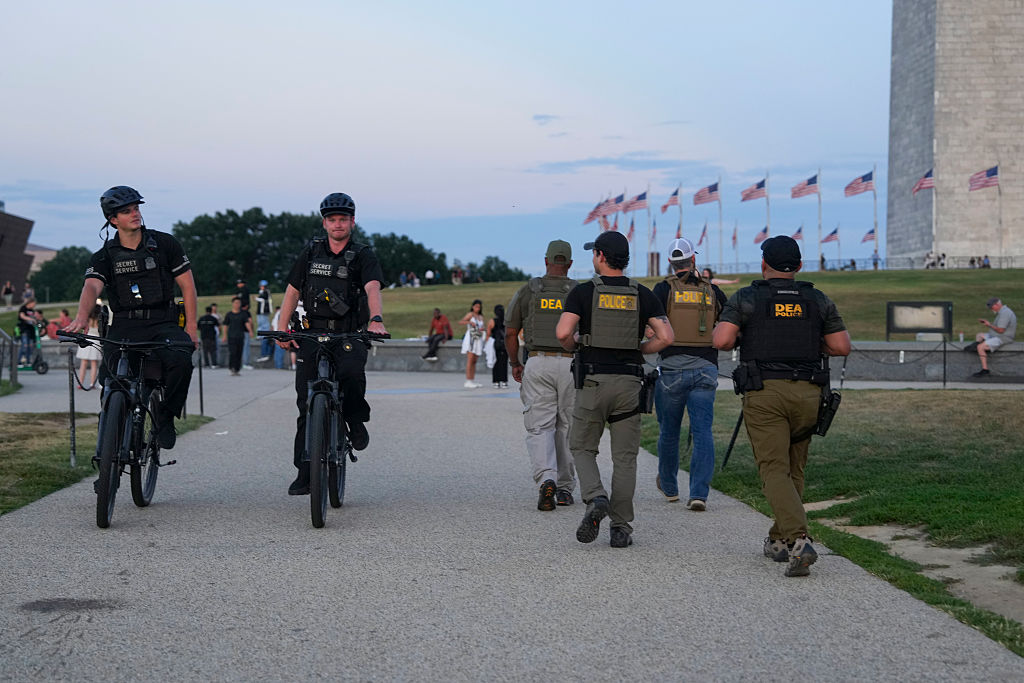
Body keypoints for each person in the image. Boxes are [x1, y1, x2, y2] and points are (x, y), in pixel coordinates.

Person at [712, 235, 850, 578]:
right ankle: (779, 540)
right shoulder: (816, 299)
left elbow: (722, 340)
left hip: (765, 393)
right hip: (809, 394)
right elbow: (841, 346)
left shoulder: (747, 298)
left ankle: (800, 539)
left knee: (773, 468)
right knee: (793, 469)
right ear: (799, 266)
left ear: (763, 264)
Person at [556, 231, 674, 548]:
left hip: (592, 381)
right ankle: (621, 528)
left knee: (581, 446)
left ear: (601, 257)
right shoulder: (643, 294)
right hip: (629, 384)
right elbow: (666, 337)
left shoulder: (583, 293)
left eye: (594, 253)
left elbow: (563, 332)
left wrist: (577, 344)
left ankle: (596, 497)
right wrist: (640, 350)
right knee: (625, 459)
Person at [63, 186, 197, 451]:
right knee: (112, 381)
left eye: (136, 208)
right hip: (125, 324)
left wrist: (191, 327)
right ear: (113, 220)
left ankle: (166, 416)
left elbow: (188, 287)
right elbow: (91, 286)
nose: (135, 214)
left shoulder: (165, 244)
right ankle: (107, 455)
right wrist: (80, 316)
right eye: (126, 211)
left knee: (181, 358)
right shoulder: (104, 256)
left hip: (163, 321)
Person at [273, 192, 387, 496]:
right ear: (325, 223)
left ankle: (354, 418)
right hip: (312, 333)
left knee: (350, 373)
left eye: (343, 219)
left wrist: (376, 319)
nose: (338, 224)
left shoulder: (363, 254)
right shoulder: (310, 253)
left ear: (352, 221)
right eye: (332, 219)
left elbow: (372, 287)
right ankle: (305, 472)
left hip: (349, 333)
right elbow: (292, 291)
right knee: (305, 402)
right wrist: (282, 327)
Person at [652, 238, 727, 510]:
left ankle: (670, 488)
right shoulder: (713, 291)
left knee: (668, 432)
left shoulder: (663, 290)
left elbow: (650, 328)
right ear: (693, 260)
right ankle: (698, 494)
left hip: (672, 369)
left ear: (671, 263)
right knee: (702, 432)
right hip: (706, 369)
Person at [506, 239, 579, 510]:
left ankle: (545, 478)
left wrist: (515, 362)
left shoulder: (529, 290)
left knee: (540, 426)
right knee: (568, 425)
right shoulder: (578, 292)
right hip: (571, 363)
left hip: (537, 362)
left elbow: (511, 332)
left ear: (546, 261)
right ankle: (565, 487)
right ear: (569, 264)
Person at [971, 297, 1017, 378]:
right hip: (996, 335)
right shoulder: (1002, 311)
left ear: (997, 304)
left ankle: (985, 370)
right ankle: (978, 348)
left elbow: (1001, 330)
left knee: (980, 347)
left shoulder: (1005, 313)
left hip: (1003, 338)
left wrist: (989, 325)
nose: (991, 309)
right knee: (979, 335)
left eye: (992, 307)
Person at [458, 299, 486, 389]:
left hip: (478, 339)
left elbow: (482, 326)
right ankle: (468, 380)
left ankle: (472, 379)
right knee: (470, 360)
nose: (477, 308)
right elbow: (461, 322)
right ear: (473, 306)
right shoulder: (470, 314)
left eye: (479, 307)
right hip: (471, 338)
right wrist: (469, 322)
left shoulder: (481, 316)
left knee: (474, 361)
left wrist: (483, 329)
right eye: (476, 306)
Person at [221, 296, 251, 376]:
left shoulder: (243, 314)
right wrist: (224, 335)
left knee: (239, 353)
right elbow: (225, 325)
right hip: (231, 337)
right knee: (233, 353)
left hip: (240, 336)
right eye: (236, 303)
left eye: (239, 303)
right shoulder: (229, 314)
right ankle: (232, 368)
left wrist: (250, 331)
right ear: (233, 304)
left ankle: (237, 369)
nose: (237, 304)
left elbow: (247, 323)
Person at [75, 304, 103, 389]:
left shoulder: (87, 318)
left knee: (83, 363)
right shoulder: (99, 320)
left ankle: (80, 382)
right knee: (94, 364)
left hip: (86, 339)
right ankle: (92, 383)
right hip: (96, 339)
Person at [488, 304, 508, 388]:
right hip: (505, 344)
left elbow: (488, 332)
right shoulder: (507, 321)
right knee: (504, 363)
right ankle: (504, 381)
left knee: (495, 362)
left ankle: (496, 381)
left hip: (495, 344)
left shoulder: (492, 321)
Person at [235, 279, 253, 368]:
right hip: (241, 332)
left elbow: (249, 321)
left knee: (244, 347)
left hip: (242, 331)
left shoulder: (244, 290)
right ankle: (245, 363)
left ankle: (245, 363)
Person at [255, 279, 274, 361]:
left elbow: (263, 300)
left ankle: (263, 334)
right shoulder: (261, 292)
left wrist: (256, 298)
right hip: (260, 311)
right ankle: (260, 334)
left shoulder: (266, 292)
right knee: (260, 323)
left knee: (264, 324)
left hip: (264, 311)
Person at [17, 298, 38, 364]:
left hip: (31, 330)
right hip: (24, 329)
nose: (34, 305)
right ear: (30, 302)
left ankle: (28, 361)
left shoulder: (32, 310)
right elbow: (22, 316)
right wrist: (31, 319)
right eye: (34, 303)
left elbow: (34, 318)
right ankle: (18, 361)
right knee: (24, 345)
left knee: (30, 346)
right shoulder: (23, 308)